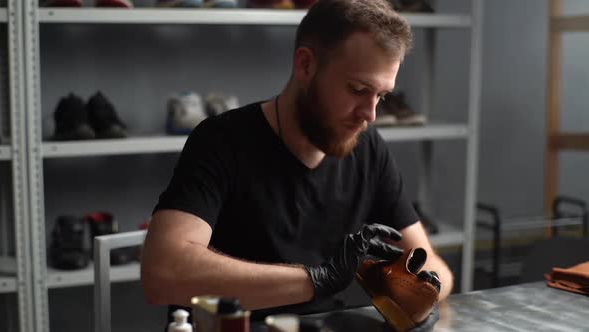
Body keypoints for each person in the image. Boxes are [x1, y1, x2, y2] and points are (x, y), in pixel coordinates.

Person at [141, 0, 453, 328]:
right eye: (359, 89)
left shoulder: (369, 149)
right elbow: (163, 273)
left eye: (382, 96)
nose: (370, 114)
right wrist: (318, 279)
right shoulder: (222, 141)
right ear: (305, 65)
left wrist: (419, 293)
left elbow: (436, 267)